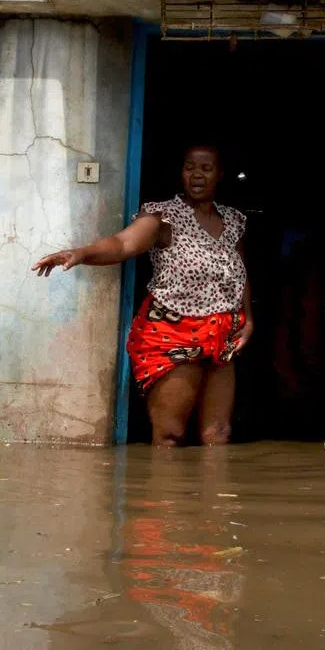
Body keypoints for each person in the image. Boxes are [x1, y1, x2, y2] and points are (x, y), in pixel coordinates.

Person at [32, 145, 253, 446]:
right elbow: (123, 244)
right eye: (190, 167)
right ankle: (162, 491)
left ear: (220, 174)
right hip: (173, 333)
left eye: (206, 168)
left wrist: (248, 318)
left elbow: (239, 272)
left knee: (218, 436)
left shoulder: (234, 221)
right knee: (170, 436)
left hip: (222, 334)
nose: (197, 175)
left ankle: (213, 494)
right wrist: (81, 253)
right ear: (181, 173)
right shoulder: (164, 216)